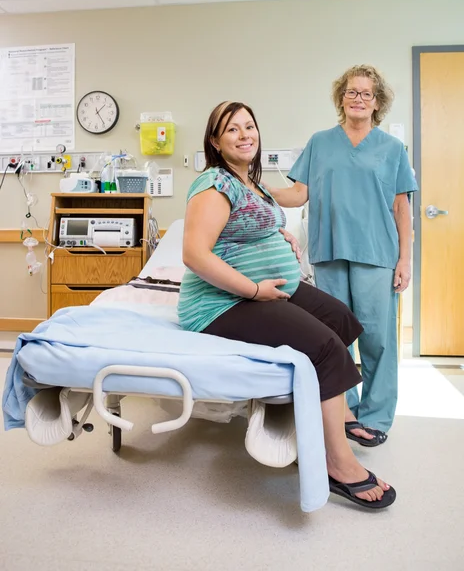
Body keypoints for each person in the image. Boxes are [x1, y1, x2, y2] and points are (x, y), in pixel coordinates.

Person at [178, 100, 396, 509]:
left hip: (272, 286)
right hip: (223, 302)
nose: (245, 135)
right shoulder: (214, 185)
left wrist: (279, 235)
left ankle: (339, 416)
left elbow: (252, 224)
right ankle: (337, 463)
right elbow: (195, 254)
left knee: (341, 319)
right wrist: (254, 290)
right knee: (326, 346)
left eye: (249, 126)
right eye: (232, 130)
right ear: (215, 141)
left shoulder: (250, 181)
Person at [267, 65, 418, 445]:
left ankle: (377, 418)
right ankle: (345, 412)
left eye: (366, 93)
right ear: (341, 98)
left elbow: (402, 208)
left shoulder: (392, 149)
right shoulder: (320, 142)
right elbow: (299, 194)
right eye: (351, 92)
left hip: (377, 253)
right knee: (335, 337)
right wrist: (254, 188)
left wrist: (406, 259)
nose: (358, 98)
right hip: (329, 250)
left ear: (377, 102)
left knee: (377, 340)